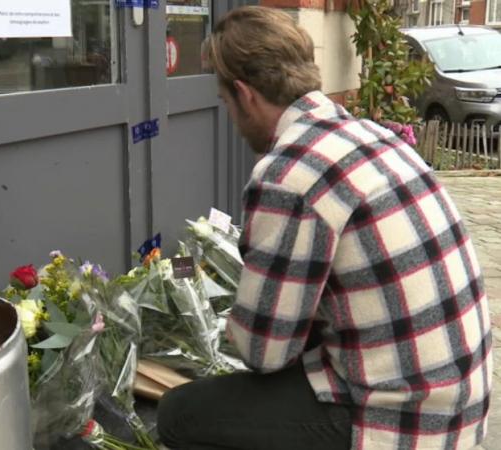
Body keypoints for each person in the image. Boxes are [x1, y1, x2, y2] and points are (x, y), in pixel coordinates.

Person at [157, 6, 492, 450]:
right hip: (457, 406)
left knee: (181, 413)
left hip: (400, 426)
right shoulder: (376, 137)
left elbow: (263, 352)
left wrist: (229, 324)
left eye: (224, 103)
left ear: (245, 93)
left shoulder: (290, 173)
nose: (232, 122)